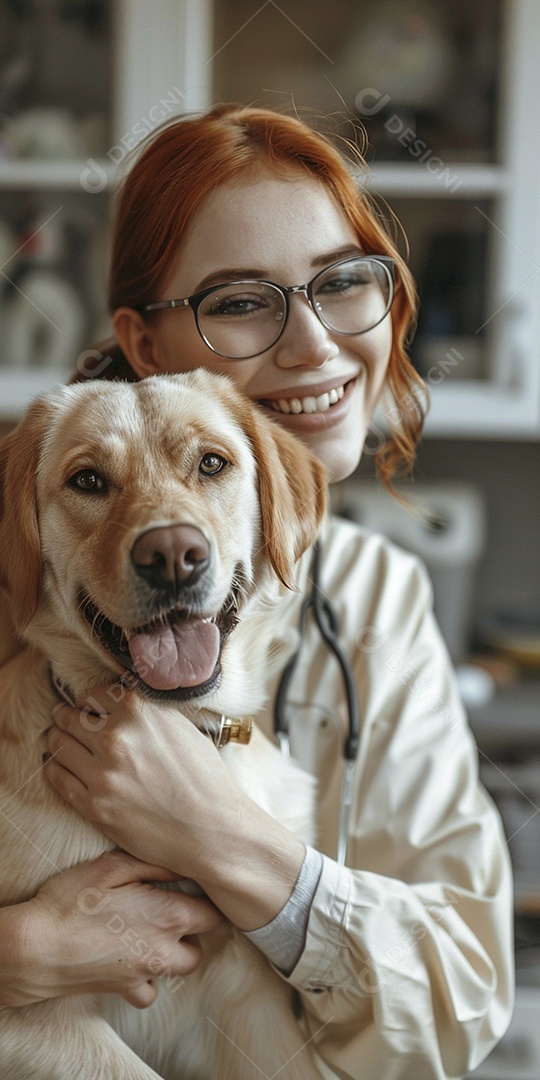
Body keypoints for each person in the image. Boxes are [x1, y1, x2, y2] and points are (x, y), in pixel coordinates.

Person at [0, 105, 513, 1078]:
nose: (315, 345)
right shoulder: (28, 554)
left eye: (343, 283)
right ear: (145, 342)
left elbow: (464, 998)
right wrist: (16, 957)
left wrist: (226, 839)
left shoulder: (379, 598)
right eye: (242, 300)